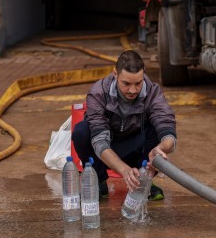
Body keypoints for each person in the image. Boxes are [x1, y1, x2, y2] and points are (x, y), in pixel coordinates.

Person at [73, 50, 177, 200]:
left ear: (144, 74)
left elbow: (167, 128)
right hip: (107, 150)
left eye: (138, 83)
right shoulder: (98, 92)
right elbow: (99, 140)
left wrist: (162, 148)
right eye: (126, 83)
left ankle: (145, 180)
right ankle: (99, 181)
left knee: (158, 130)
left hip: (138, 150)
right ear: (115, 74)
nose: (133, 90)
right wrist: (124, 169)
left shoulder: (153, 92)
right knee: (81, 132)